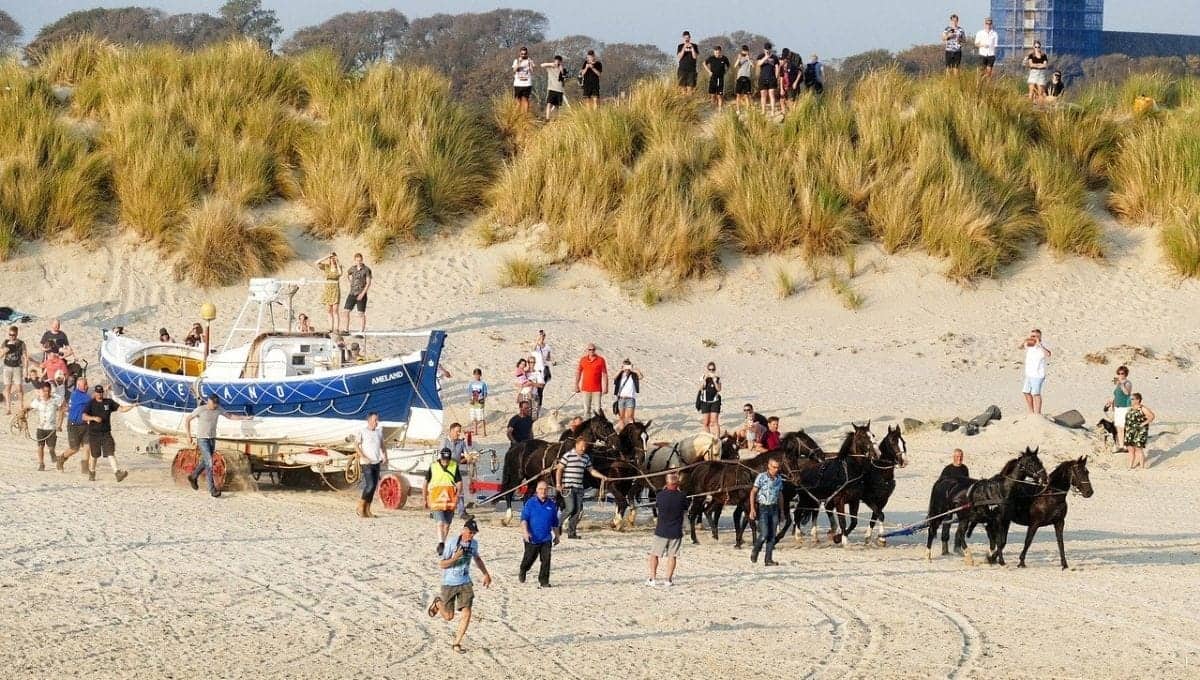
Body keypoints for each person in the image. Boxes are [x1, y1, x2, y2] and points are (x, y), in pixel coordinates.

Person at [427, 518, 492, 654]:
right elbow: (442, 564)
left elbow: (477, 559)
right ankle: (439, 603)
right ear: (464, 530)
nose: (472, 536)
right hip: (449, 583)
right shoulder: (451, 543)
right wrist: (456, 557)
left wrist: (486, 574)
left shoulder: (474, 544)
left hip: (465, 582)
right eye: (470, 533)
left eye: (474, 533)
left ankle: (457, 643)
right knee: (448, 617)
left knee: (467, 612)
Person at [184, 394, 250, 498]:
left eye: (215, 405)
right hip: (202, 439)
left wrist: (244, 418)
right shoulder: (200, 409)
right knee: (210, 462)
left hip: (212, 439)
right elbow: (187, 419)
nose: (214, 407)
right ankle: (212, 490)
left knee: (206, 461)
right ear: (208, 401)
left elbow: (230, 416)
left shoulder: (218, 409)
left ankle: (193, 476)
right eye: (212, 404)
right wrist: (188, 436)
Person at [555, 436, 608, 539]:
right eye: (581, 446)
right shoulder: (568, 455)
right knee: (570, 508)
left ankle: (571, 533)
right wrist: (558, 484)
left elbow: (591, 471)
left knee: (578, 511)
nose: (583, 448)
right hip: (568, 487)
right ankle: (556, 525)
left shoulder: (586, 458)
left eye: (585, 447)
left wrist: (603, 477)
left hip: (579, 488)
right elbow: (559, 469)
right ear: (576, 445)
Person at [81, 385, 134, 483]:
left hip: (106, 433)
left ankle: (117, 473)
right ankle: (92, 472)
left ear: (103, 392)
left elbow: (121, 409)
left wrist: (132, 406)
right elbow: (84, 416)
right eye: (98, 392)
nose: (99, 394)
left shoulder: (108, 402)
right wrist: (93, 418)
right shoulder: (91, 403)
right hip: (94, 434)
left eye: (101, 392)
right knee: (94, 455)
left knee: (110, 452)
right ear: (95, 393)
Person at [518, 480, 560, 587]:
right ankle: (523, 569)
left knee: (546, 560)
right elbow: (524, 520)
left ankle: (544, 581)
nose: (543, 491)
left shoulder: (552, 505)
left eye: (545, 489)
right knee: (529, 559)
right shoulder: (530, 503)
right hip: (532, 538)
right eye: (540, 489)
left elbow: (555, 523)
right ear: (536, 490)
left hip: (546, 538)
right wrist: (525, 532)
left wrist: (557, 536)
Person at [647, 472, 686, 586]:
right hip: (676, 531)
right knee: (672, 556)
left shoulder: (660, 495)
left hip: (661, 531)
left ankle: (652, 579)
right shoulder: (682, 496)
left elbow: (659, 505)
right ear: (677, 483)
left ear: (666, 483)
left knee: (654, 555)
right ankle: (668, 580)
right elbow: (685, 508)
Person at [425, 448, 464, 555]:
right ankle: (441, 543)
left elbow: (459, 482)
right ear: (440, 457)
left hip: (450, 500)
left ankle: (442, 542)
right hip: (436, 499)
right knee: (440, 523)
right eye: (443, 459)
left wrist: (458, 495)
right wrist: (425, 497)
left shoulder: (454, 466)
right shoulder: (433, 466)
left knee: (447, 525)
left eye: (447, 459)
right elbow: (426, 482)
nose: (445, 461)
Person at [749, 458, 783, 566]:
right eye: (774, 467)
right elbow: (753, 492)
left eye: (777, 467)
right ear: (768, 466)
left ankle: (768, 559)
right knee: (764, 534)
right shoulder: (761, 477)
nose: (776, 469)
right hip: (763, 508)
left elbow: (780, 495)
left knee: (772, 536)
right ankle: (756, 549)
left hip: (774, 508)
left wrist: (781, 511)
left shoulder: (779, 479)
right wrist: (752, 508)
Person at [55, 376, 91, 473]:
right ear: (79, 386)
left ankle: (85, 468)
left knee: (87, 446)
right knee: (74, 448)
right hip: (73, 425)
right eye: (85, 385)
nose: (87, 386)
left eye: (87, 384)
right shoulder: (78, 395)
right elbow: (92, 401)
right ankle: (61, 458)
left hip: (84, 425)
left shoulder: (81, 395)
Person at [355, 412, 387, 518]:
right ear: (369, 421)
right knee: (370, 485)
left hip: (376, 462)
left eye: (377, 420)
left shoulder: (379, 432)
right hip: (366, 462)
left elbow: (382, 446)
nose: (376, 422)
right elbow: (356, 446)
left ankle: (367, 510)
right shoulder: (362, 431)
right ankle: (360, 506)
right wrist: (363, 456)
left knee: (373, 488)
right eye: (374, 420)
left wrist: (384, 456)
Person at [27, 382, 63, 471]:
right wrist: (23, 412)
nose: (45, 393)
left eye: (47, 391)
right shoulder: (37, 401)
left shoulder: (56, 399)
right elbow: (29, 407)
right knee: (40, 446)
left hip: (51, 428)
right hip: (40, 428)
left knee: (51, 448)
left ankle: (55, 457)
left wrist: (59, 424)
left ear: (50, 391)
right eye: (44, 391)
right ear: (41, 391)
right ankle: (41, 464)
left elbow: (62, 409)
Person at [440, 422, 470, 518]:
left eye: (459, 432)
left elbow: (466, 454)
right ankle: (439, 511)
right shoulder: (444, 442)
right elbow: (442, 457)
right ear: (451, 431)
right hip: (445, 469)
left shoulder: (461, 442)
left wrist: (469, 458)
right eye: (457, 432)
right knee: (445, 491)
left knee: (460, 490)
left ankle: (461, 512)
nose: (458, 434)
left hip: (456, 468)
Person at [1021, 328, 1051, 414]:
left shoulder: (1043, 345)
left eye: (1035, 336)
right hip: (1029, 374)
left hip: (1038, 375)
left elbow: (1048, 354)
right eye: (1032, 336)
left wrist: (1040, 344)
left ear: (1039, 336)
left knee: (1035, 393)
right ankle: (1031, 411)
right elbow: (1020, 347)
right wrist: (1024, 341)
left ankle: (1037, 413)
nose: (1033, 337)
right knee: (1026, 392)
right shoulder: (1030, 344)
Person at [575, 343, 609, 417]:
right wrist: (576, 385)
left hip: (597, 389)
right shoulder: (583, 360)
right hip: (585, 389)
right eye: (590, 349)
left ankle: (598, 426)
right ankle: (587, 426)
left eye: (593, 349)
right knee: (586, 410)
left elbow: (605, 374)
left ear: (595, 350)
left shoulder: (601, 360)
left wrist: (606, 387)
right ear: (587, 350)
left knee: (597, 409)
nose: (591, 351)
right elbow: (578, 372)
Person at [342, 253, 372, 334]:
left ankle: (361, 330)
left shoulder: (366, 269)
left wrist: (362, 294)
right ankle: (346, 329)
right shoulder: (353, 268)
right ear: (355, 260)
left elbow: (368, 283)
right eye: (357, 260)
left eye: (360, 260)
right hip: (352, 293)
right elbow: (347, 274)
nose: (358, 262)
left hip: (361, 293)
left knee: (360, 313)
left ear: (362, 260)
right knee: (346, 311)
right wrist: (350, 282)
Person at [1124, 393, 1154, 470]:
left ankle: (1142, 467)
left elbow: (1152, 416)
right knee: (1130, 449)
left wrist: (1143, 424)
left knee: (1138, 448)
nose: (1130, 400)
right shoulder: (1130, 408)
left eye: (1132, 399)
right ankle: (1130, 466)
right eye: (1130, 399)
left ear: (1138, 400)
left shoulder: (1142, 408)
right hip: (1129, 431)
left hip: (1139, 431)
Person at [1105, 366, 1133, 450]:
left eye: (1122, 373)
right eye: (1119, 373)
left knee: (1123, 427)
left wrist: (1121, 384)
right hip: (1117, 407)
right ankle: (1121, 445)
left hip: (1124, 407)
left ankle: (1125, 445)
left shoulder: (1128, 383)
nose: (1120, 375)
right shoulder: (1118, 383)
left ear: (1126, 374)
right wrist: (1110, 402)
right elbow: (1116, 395)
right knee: (1118, 427)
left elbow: (1127, 393)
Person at [3, 325, 28, 415]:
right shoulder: (5, 342)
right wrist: (5, 350)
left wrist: (26, 370)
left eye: (13, 335)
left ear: (17, 334)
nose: (11, 336)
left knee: (19, 388)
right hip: (7, 367)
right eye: (10, 334)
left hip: (17, 367)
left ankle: (21, 406)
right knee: (7, 388)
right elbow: (0, 354)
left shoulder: (21, 343)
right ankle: (8, 408)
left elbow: (25, 357)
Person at [314, 252, 341, 334]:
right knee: (329, 310)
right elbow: (316, 263)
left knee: (335, 310)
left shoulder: (338, 267)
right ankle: (330, 327)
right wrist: (326, 256)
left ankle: (336, 328)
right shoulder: (326, 267)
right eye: (331, 258)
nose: (332, 259)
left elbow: (340, 273)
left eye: (333, 258)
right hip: (328, 289)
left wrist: (337, 262)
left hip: (335, 289)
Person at [613, 359, 643, 429]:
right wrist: (621, 370)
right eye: (625, 366)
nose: (627, 368)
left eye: (628, 366)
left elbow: (641, 377)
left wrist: (635, 369)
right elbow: (614, 378)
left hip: (630, 398)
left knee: (630, 418)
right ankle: (623, 432)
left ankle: (632, 431)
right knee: (621, 418)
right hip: (621, 398)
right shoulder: (620, 375)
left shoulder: (633, 375)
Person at [697, 362, 722, 437]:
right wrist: (705, 379)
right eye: (710, 369)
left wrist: (715, 381)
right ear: (707, 369)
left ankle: (717, 438)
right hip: (705, 401)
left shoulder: (717, 378)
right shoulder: (703, 377)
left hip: (715, 401)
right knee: (705, 422)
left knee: (715, 421)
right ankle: (709, 438)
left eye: (713, 369)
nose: (711, 371)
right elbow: (700, 388)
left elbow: (719, 389)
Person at [540, 55, 567, 119]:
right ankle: (547, 119)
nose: (557, 63)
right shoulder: (550, 68)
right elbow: (542, 65)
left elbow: (564, 80)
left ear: (561, 62)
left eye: (558, 62)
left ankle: (556, 119)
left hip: (559, 90)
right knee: (549, 103)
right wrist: (551, 64)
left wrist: (562, 71)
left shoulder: (563, 70)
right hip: (551, 89)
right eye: (556, 61)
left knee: (557, 106)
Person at [704, 45, 730, 109]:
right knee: (712, 94)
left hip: (720, 78)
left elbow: (728, 66)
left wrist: (726, 72)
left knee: (719, 95)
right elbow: (704, 63)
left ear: (720, 51)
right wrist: (709, 71)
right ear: (714, 52)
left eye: (718, 52)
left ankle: (720, 109)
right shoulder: (711, 58)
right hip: (713, 78)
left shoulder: (724, 58)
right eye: (715, 52)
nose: (717, 54)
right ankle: (713, 108)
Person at [757, 42, 779, 114]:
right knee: (763, 94)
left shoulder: (775, 57)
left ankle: (773, 111)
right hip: (762, 78)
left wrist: (776, 77)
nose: (767, 50)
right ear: (764, 49)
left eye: (769, 49)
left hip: (771, 78)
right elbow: (758, 64)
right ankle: (763, 111)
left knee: (771, 94)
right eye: (766, 49)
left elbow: (777, 68)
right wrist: (766, 57)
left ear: (771, 49)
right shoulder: (760, 56)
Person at [532, 329, 552, 405]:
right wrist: (538, 340)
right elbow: (532, 351)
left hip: (544, 370)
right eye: (541, 335)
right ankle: (534, 405)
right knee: (535, 389)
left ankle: (538, 406)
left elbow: (549, 358)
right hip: (537, 370)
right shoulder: (536, 346)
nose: (542, 337)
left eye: (543, 335)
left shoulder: (547, 347)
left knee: (540, 389)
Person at [467, 368, 489, 437]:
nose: (477, 376)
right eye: (475, 375)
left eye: (478, 375)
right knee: (474, 417)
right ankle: (475, 431)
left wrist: (483, 399)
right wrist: (470, 399)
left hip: (480, 402)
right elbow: (470, 392)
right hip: (473, 402)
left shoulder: (483, 384)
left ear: (480, 375)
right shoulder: (471, 383)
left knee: (481, 417)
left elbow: (485, 393)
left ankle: (484, 432)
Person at [512, 46, 534, 113]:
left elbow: (532, 71)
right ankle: (517, 116)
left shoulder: (530, 60)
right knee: (517, 101)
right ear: (520, 53)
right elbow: (514, 70)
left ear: (527, 53)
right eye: (522, 54)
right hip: (518, 84)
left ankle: (525, 117)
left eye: (525, 54)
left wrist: (530, 63)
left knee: (525, 100)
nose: (523, 55)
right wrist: (519, 63)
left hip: (527, 83)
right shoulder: (516, 60)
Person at [734, 45, 754, 110]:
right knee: (738, 95)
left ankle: (748, 109)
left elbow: (753, 66)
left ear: (748, 51)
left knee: (746, 95)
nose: (745, 52)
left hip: (747, 77)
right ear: (742, 51)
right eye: (744, 51)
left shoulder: (750, 58)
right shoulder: (740, 58)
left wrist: (748, 59)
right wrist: (739, 59)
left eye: (746, 51)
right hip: (740, 77)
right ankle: (737, 109)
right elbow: (735, 66)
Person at [776, 48, 792, 113]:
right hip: (784, 80)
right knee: (783, 98)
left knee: (784, 98)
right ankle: (784, 112)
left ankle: (786, 112)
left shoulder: (788, 62)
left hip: (785, 81)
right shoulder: (783, 60)